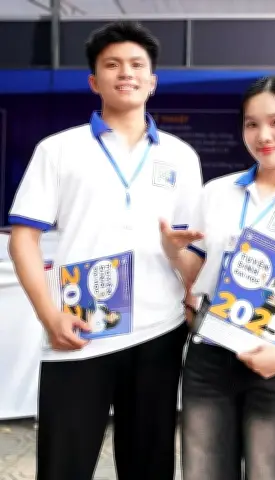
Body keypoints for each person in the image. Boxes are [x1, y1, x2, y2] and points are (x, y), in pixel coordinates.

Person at [7, 21, 202, 480]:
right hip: (79, 328)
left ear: (152, 81)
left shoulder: (180, 156)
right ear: (94, 81)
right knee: (64, 464)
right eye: (112, 65)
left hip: (159, 331)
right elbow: (23, 238)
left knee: (149, 465)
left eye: (137, 65)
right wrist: (50, 316)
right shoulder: (59, 150)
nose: (126, 73)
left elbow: (193, 252)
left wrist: (183, 273)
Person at [161, 75, 275, 480]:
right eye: (252, 124)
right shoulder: (216, 193)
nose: (264, 135)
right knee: (204, 471)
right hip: (210, 357)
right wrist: (173, 250)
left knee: (270, 472)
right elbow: (198, 274)